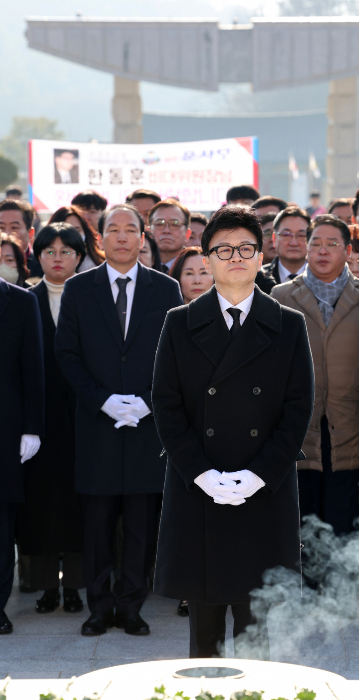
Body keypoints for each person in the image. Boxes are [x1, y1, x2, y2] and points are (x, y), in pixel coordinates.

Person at [152, 204, 314, 659]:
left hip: (263, 487)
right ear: (206, 260)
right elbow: (166, 407)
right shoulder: (180, 322)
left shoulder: (288, 324)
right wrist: (202, 474)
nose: (236, 257)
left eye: (246, 247)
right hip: (199, 486)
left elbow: (297, 408)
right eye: (223, 249)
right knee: (203, 631)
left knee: (256, 629)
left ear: (262, 256)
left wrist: (258, 474)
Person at [55, 203, 183, 637]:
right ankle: (98, 607)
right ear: (101, 237)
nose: (123, 237)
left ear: (142, 237)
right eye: (115, 230)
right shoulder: (79, 289)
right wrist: (103, 401)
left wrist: (147, 402)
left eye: (132, 230)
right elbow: (67, 356)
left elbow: (174, 356)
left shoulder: (165, 290)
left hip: (147, 428)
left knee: (141, 525)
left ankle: (131, 606)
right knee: (96, 525)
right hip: (98, 426)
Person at [272, 214, 359, 535]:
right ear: (306, 249)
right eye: (315, 243)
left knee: (342, 518)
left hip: (351, 422)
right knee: (302, 523)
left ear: (348, 251)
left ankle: (340, 586)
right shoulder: (281, 296)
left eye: (332, 244)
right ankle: (306, 586)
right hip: (299, 425)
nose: (322, 251)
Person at [18, 223, 86, 615]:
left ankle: (75, 586)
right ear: (37, 255)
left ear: (79, 256)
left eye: (66, 251)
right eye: (49, 251)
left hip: (83, 417)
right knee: (40, 506)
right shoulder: (24, 299)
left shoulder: (92, 297)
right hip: (39, 421)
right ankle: (45, 587)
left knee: (79, 506)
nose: (57, 258)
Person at [0, 252, 45, 634]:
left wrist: (32, 427)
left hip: (5, 430)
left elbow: (33, 368)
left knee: (1, 526)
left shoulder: (20, 300)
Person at [48, 206, 105, 272]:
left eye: (77, 230)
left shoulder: (104, 263)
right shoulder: (42, 266)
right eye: (66, 231)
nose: (73, 235)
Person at [262, 206, 310, 284]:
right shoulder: (258, 278)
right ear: (274, 239)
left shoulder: (324, 277)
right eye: (286, 235)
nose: (294, 243)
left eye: (301, 235)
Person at [0, 199, 43, 277]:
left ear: (30, 233)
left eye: (14, 227)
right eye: (1, 227)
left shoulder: (43, 266)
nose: (6, 233)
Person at [148, 198, 192, 273]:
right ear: (149, 232)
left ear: (187, 234)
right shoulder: (137, 267)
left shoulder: (198, 268)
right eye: (159, 223)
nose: (166, 231)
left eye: (175, 224)